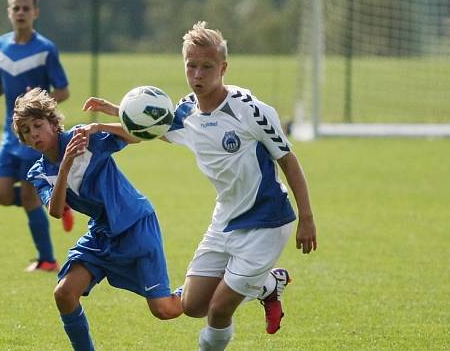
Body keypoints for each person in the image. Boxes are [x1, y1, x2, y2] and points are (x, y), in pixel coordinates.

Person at [83, 21, 317, 350]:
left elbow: (288, 159)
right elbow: (148, 130)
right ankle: (269, 285)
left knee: (219, 310)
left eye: (206, 67)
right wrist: (108, 120)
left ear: (223, 68)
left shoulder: (250, 110)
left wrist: (306, 217)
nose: (197, 75)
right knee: (193, 306)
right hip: (225, 220)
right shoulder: (186, 110)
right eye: (191, 66)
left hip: (266, 222)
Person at [12, 87, 183, 350]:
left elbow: (135, 136)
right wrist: (66, 163)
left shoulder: (83, 137)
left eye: (38, 125)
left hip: (136, 225)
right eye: (26, 130)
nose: (33, 133)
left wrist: (99, 125)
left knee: (165, 310)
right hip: (102, 233)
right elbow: (56, 211)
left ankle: (208, 284)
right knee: (65, 294)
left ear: (54, 124)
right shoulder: (40, 173)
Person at [0, 0, 75, 272]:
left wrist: (38, 110)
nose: (21, 12)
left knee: (30, 197)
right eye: (16, 8)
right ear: (9, 12)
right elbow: (0, 79)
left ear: (36, 13)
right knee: (1, 194)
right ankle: (60, 203)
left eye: (26, 8)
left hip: (33, 137)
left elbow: (64, 91)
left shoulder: (45, 49)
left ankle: (47, 259)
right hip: (10, 137)